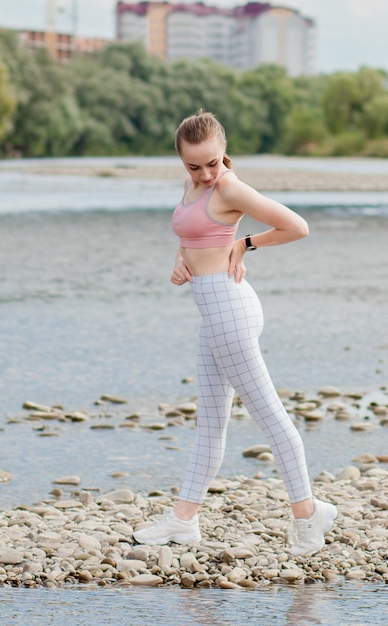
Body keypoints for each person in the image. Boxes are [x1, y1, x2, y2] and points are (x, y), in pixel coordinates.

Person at [133, 110, 337, 556]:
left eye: (213, 162)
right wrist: (179, 258)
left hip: (231, 310)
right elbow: (193, 231)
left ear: (223, 153)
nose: (205, 173)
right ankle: (184, 521)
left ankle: (308, 515)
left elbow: (296, 226)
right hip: (213, 313)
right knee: (211, 425)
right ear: (181, 160)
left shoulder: (229, 186)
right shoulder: (193, 186)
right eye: (194, 166)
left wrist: (245, 244)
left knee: (269, 416)